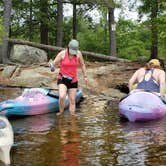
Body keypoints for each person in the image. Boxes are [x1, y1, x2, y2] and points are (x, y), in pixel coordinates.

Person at [49, 39, 88, 116]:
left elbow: (82, 65)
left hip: (73, 80)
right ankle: (61, 113)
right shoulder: (62, 54)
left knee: (72, 100)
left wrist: (85, 76)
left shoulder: (79, 54)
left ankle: (72, 118)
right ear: (68, 47)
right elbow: (54, 65)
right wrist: (51, 66)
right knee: (62, 96)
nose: (73, 52)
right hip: (62, 79)